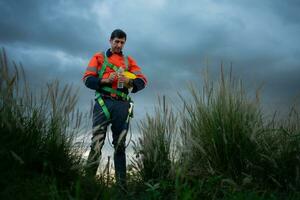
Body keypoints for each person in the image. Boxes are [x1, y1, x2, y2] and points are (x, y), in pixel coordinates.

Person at [82, 29, 147, 186]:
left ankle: (121, 188)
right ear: (110, 41)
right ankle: (87, 184)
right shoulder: (98, 57)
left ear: (124, 43)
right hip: (103, 103)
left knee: (120, 146)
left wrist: (130, 82)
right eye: (116, 41)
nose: (119, 45)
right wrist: (105, 80)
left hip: (122, 105)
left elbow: (143, 81)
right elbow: (87, 80)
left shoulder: (129, 61)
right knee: (96, 143)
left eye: (122, 42)